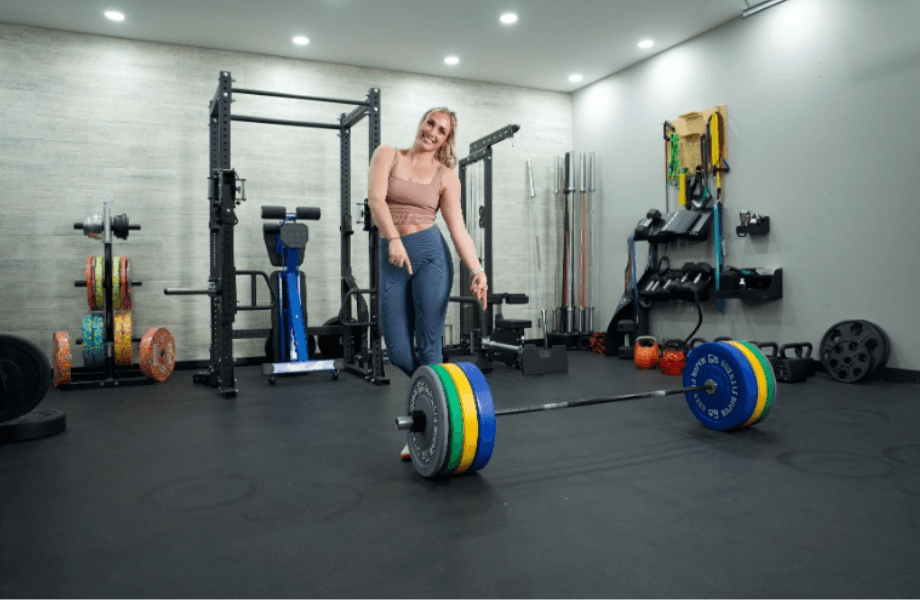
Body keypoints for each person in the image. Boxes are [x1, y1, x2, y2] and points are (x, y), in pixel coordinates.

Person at [367, 107, 488, 459]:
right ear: (420, 123)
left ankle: (430, 431)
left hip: (431, 256)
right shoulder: (387, 154)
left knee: (431, 346)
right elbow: (376, 200)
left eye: (442, 130)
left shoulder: (446, 175)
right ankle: (447, 394)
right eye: (430, 123)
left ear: (447, 140)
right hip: (394, 258)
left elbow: (458, 228)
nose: (432, 132)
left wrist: (476, 270)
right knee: (400, 351)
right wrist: (392, 238)